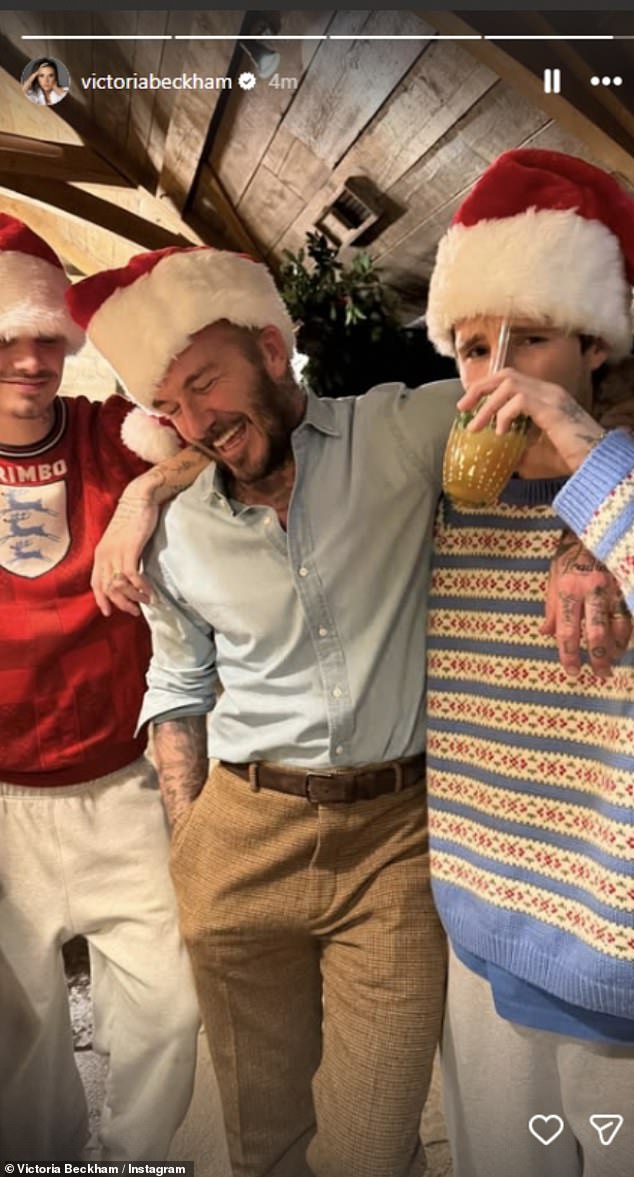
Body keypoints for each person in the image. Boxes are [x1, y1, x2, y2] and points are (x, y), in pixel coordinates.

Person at [65, 243, 462, 1177]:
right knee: (262, 1138)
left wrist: (575, 546)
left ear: (273, 352)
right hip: (240, 834)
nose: (197, 423)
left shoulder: (398, 435)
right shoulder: (177, 523)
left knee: (371, 1142)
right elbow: (178, 682)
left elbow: (549, 393)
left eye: (208, 384)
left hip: (393, 847)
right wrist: (189, 840)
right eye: (170, 410)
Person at [424, 149, 634, 1177]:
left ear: (594, 344)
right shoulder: (441, 500)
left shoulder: (622, 478)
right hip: (481, 928)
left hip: (616, 968)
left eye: (529, 339)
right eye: (468, 348)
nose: (491, 373)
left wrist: (592, 462)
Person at [0, 215, 205, 1165]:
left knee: (171, 1002)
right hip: (4, 800)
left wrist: (142, 494)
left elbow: (223, 435)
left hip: (120, 781)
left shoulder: (108, 435)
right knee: (18, 1033)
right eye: (8, 338)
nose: (32, 360)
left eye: (45, 335)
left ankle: (131, 1157)